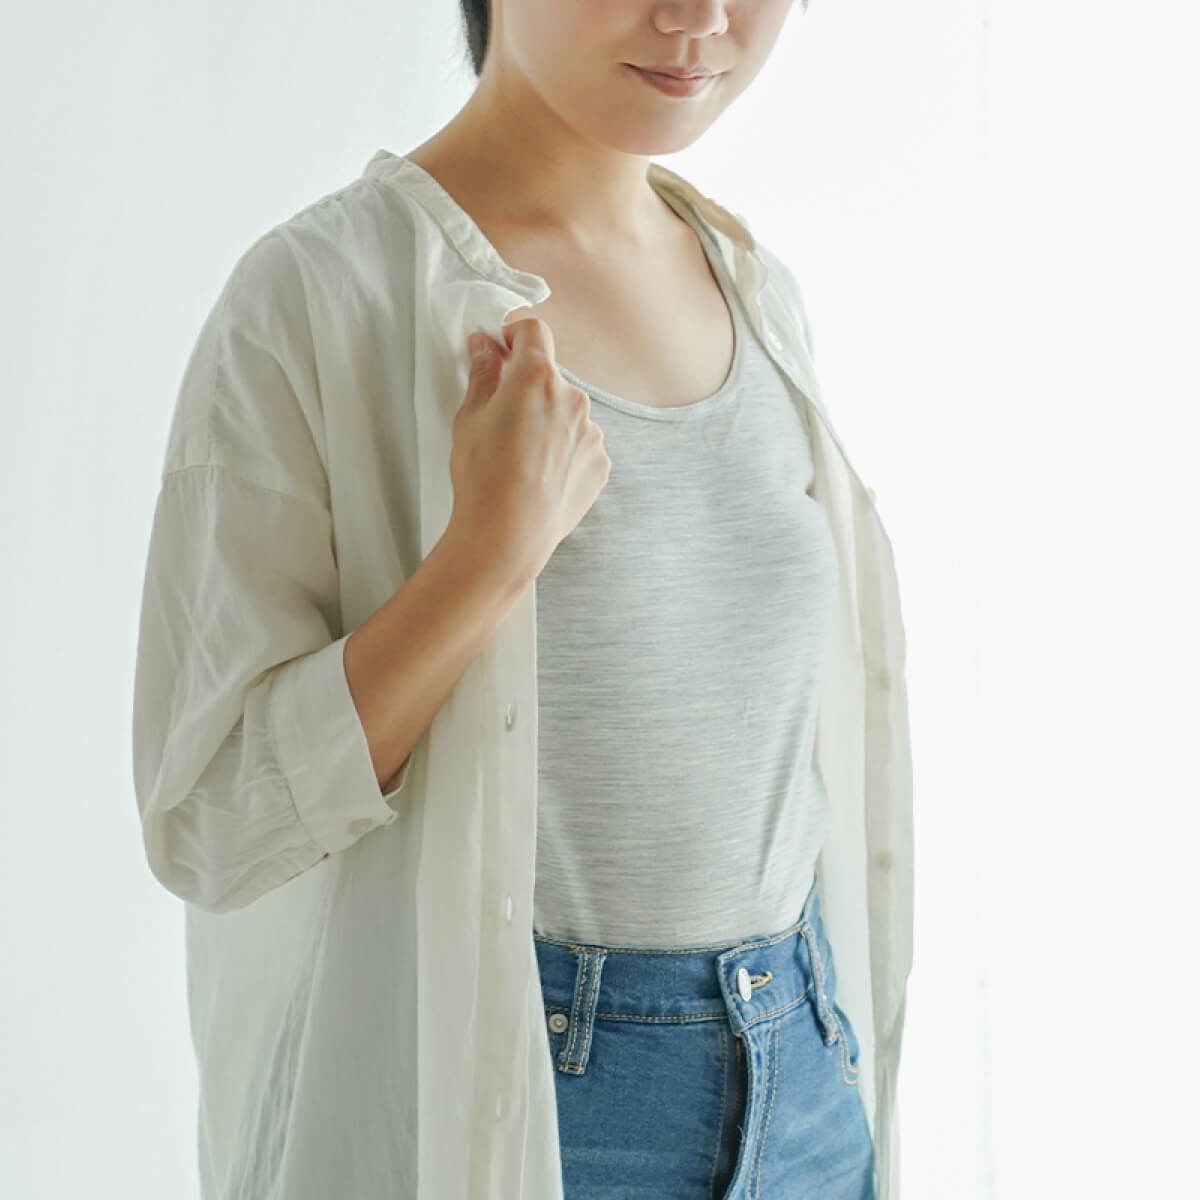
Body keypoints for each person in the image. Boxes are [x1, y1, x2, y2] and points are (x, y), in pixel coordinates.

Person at [131, 2, 914, 1198]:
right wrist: (486, 558)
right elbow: (212, 818)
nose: (699, 19)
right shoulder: (323, 295)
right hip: (534, 1094)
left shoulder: (754, 286)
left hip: (804, 1083)